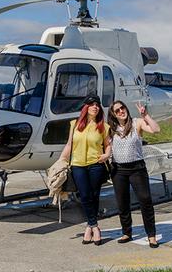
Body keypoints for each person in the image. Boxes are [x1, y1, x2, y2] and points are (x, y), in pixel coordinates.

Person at [107, 100, 160, 248]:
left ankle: (151, 235)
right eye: (117, 111)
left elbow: (156, 130)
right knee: (122, 202)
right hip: (118, 170)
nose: (121, 111)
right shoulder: (111, 129)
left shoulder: (137, 123)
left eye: (122, 108)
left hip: (137, 169)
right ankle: (127, 232)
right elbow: (107, 148)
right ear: (113, 114)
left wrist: (146, 115)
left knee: (145, 200)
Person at [59, 95, 111, 246]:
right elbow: (69, 144)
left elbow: (107, 145)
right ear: (85, 107)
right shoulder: (74, 124)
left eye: (97, 105)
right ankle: (95, 226)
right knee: (85, 195)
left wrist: (107, 154)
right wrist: (61, 161)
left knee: (94, 195)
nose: (95, 107)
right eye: (91, 104)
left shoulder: (104, 126)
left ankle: (89, 227)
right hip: (78, 165)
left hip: (96, 164)